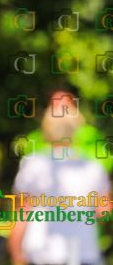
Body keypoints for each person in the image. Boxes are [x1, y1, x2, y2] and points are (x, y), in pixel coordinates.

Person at [7, 91, 111, 265]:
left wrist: (16, 253)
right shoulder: (93, 166)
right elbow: (104, 210)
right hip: (83, 254)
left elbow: (22, 214)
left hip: (42, 255)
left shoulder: (33, 163)